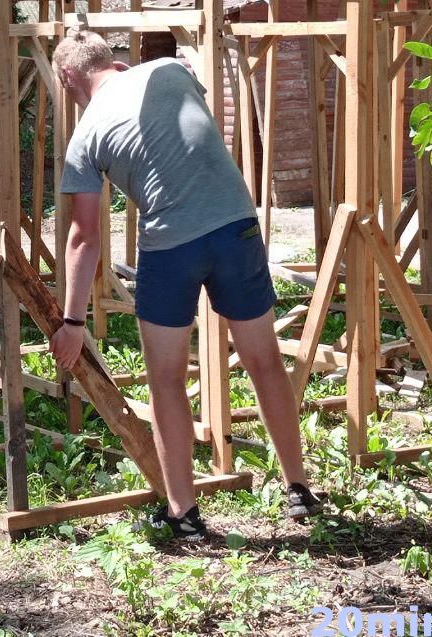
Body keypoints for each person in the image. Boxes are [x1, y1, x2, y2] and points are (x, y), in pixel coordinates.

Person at [46, 30, 321, 541]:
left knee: (167, 378)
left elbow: (84, 236)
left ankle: (183, 513)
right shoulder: (170, 72)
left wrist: (72, 321)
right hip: (235, 224)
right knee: (263, 359)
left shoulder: (84, 137)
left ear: (67, 79)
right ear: (116, 60)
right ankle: (299, 488)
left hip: (172, 245)